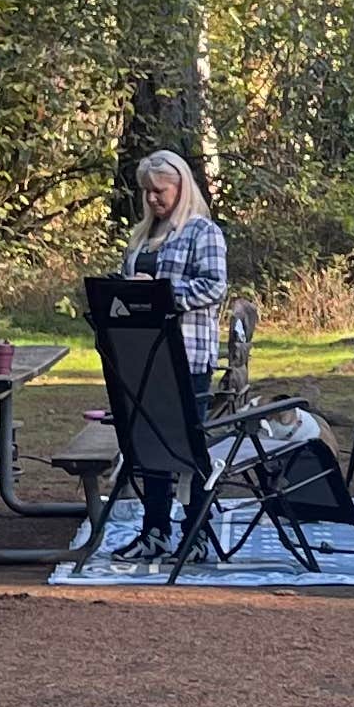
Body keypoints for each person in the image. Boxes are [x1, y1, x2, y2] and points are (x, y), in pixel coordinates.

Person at [110, 150, 229, 563]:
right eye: (147, 192)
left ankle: (195, 532)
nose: (153, 199)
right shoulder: (143, 235)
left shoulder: (202, 232)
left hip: (187, 355)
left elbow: (214, 287)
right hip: (141, 355)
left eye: (160, 190)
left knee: (188, 443)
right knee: (149, 442)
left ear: (180, 187)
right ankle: (154, 530)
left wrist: (158, 294)